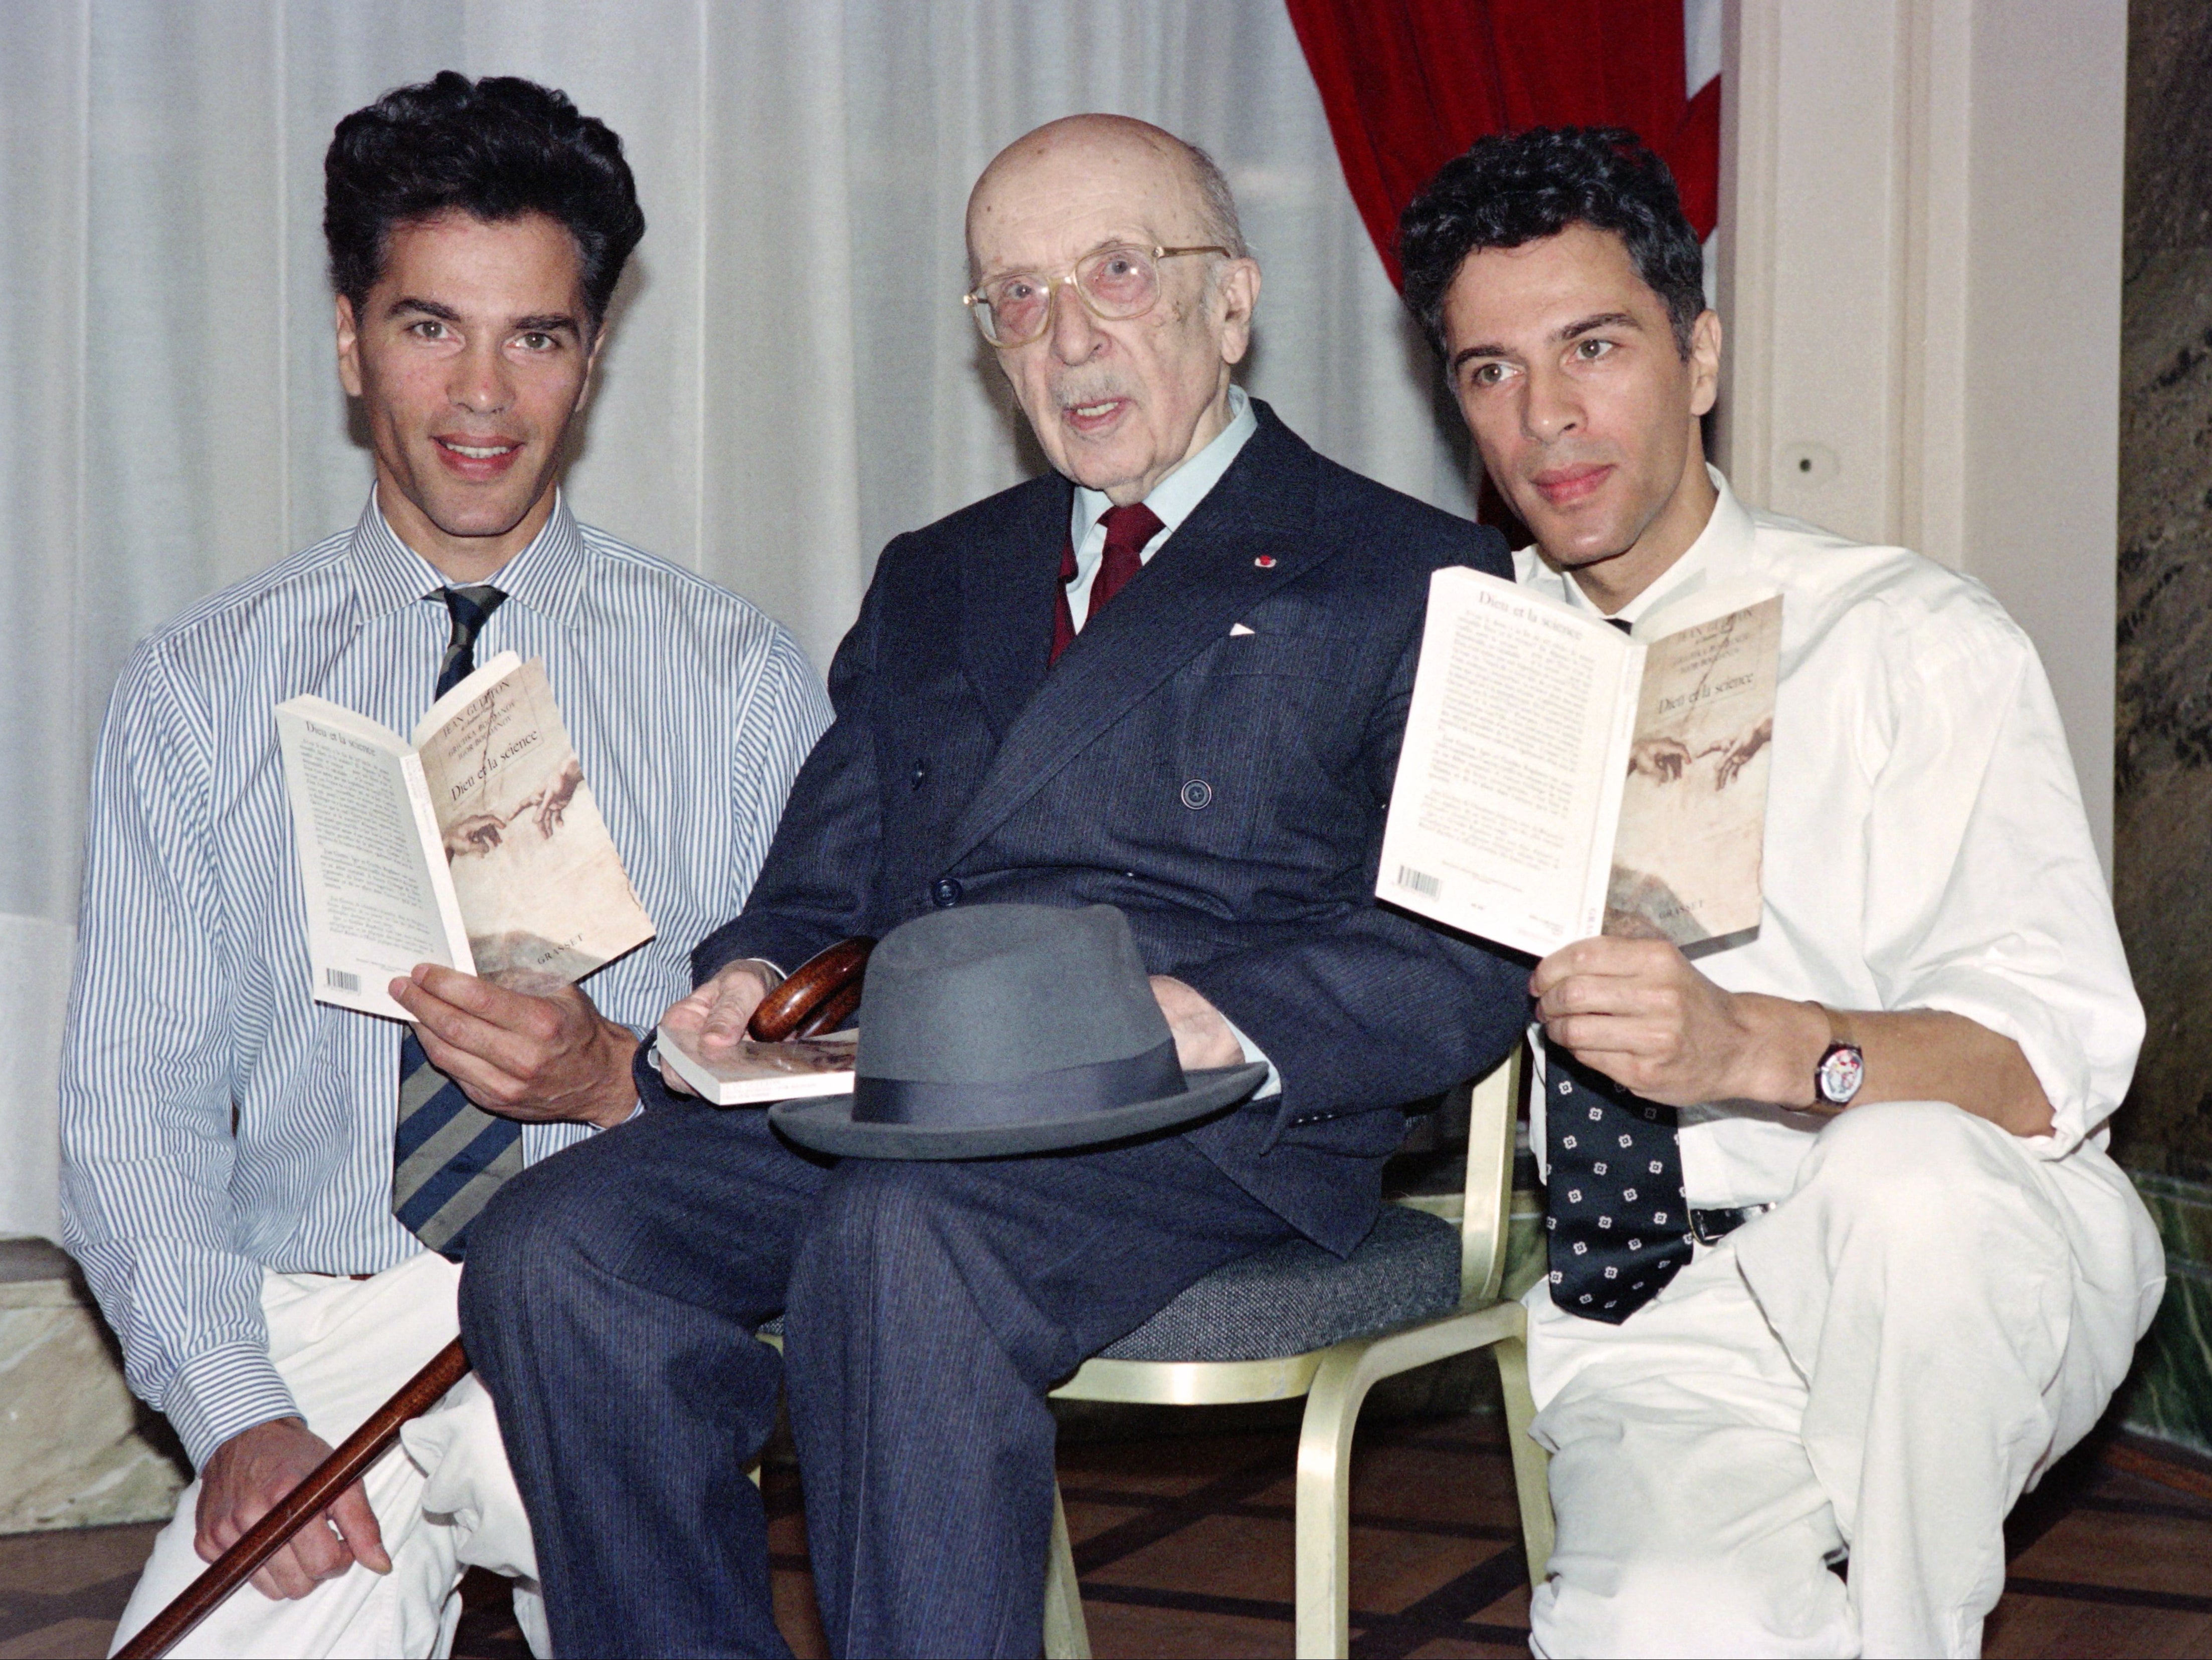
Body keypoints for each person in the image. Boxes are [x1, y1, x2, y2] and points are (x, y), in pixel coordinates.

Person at [457, 113, 1529, 1658]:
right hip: (910, 1088)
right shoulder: (943, 570)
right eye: (1015, 298)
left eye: (1115, 274)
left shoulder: (1412, 572)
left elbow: (1465, 959)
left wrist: (1217, 1016)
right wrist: (755, 978)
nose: (1068, 336)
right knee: (558, 1251)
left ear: (1232, 303)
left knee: (903, 1241)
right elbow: (818, 878)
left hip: (1202, 1118)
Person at [63, 73, 828, 1658]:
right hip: (317, 1328)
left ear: (592, 358)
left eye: (536, 337)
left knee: (590, 1500)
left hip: (609, 1297)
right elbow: (132, 1107)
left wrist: (624, 1077)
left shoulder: (741, 679)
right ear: (350, 340)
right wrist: (234, 1413)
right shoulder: (199, 686)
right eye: (430, 328)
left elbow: (817, 1077)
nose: (483, 395)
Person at [1396, 126, 2167, 1658]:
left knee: (1900, 1184)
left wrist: (1755, 1048)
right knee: (1658, 1626)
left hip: (1967, 1248)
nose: (1545, 416)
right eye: (1489, 371)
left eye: (1594, 347)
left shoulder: (1909, 641)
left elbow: (2045, 1063)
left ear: (1698, 357)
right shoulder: (1464, 677)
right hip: (1666, 1302)